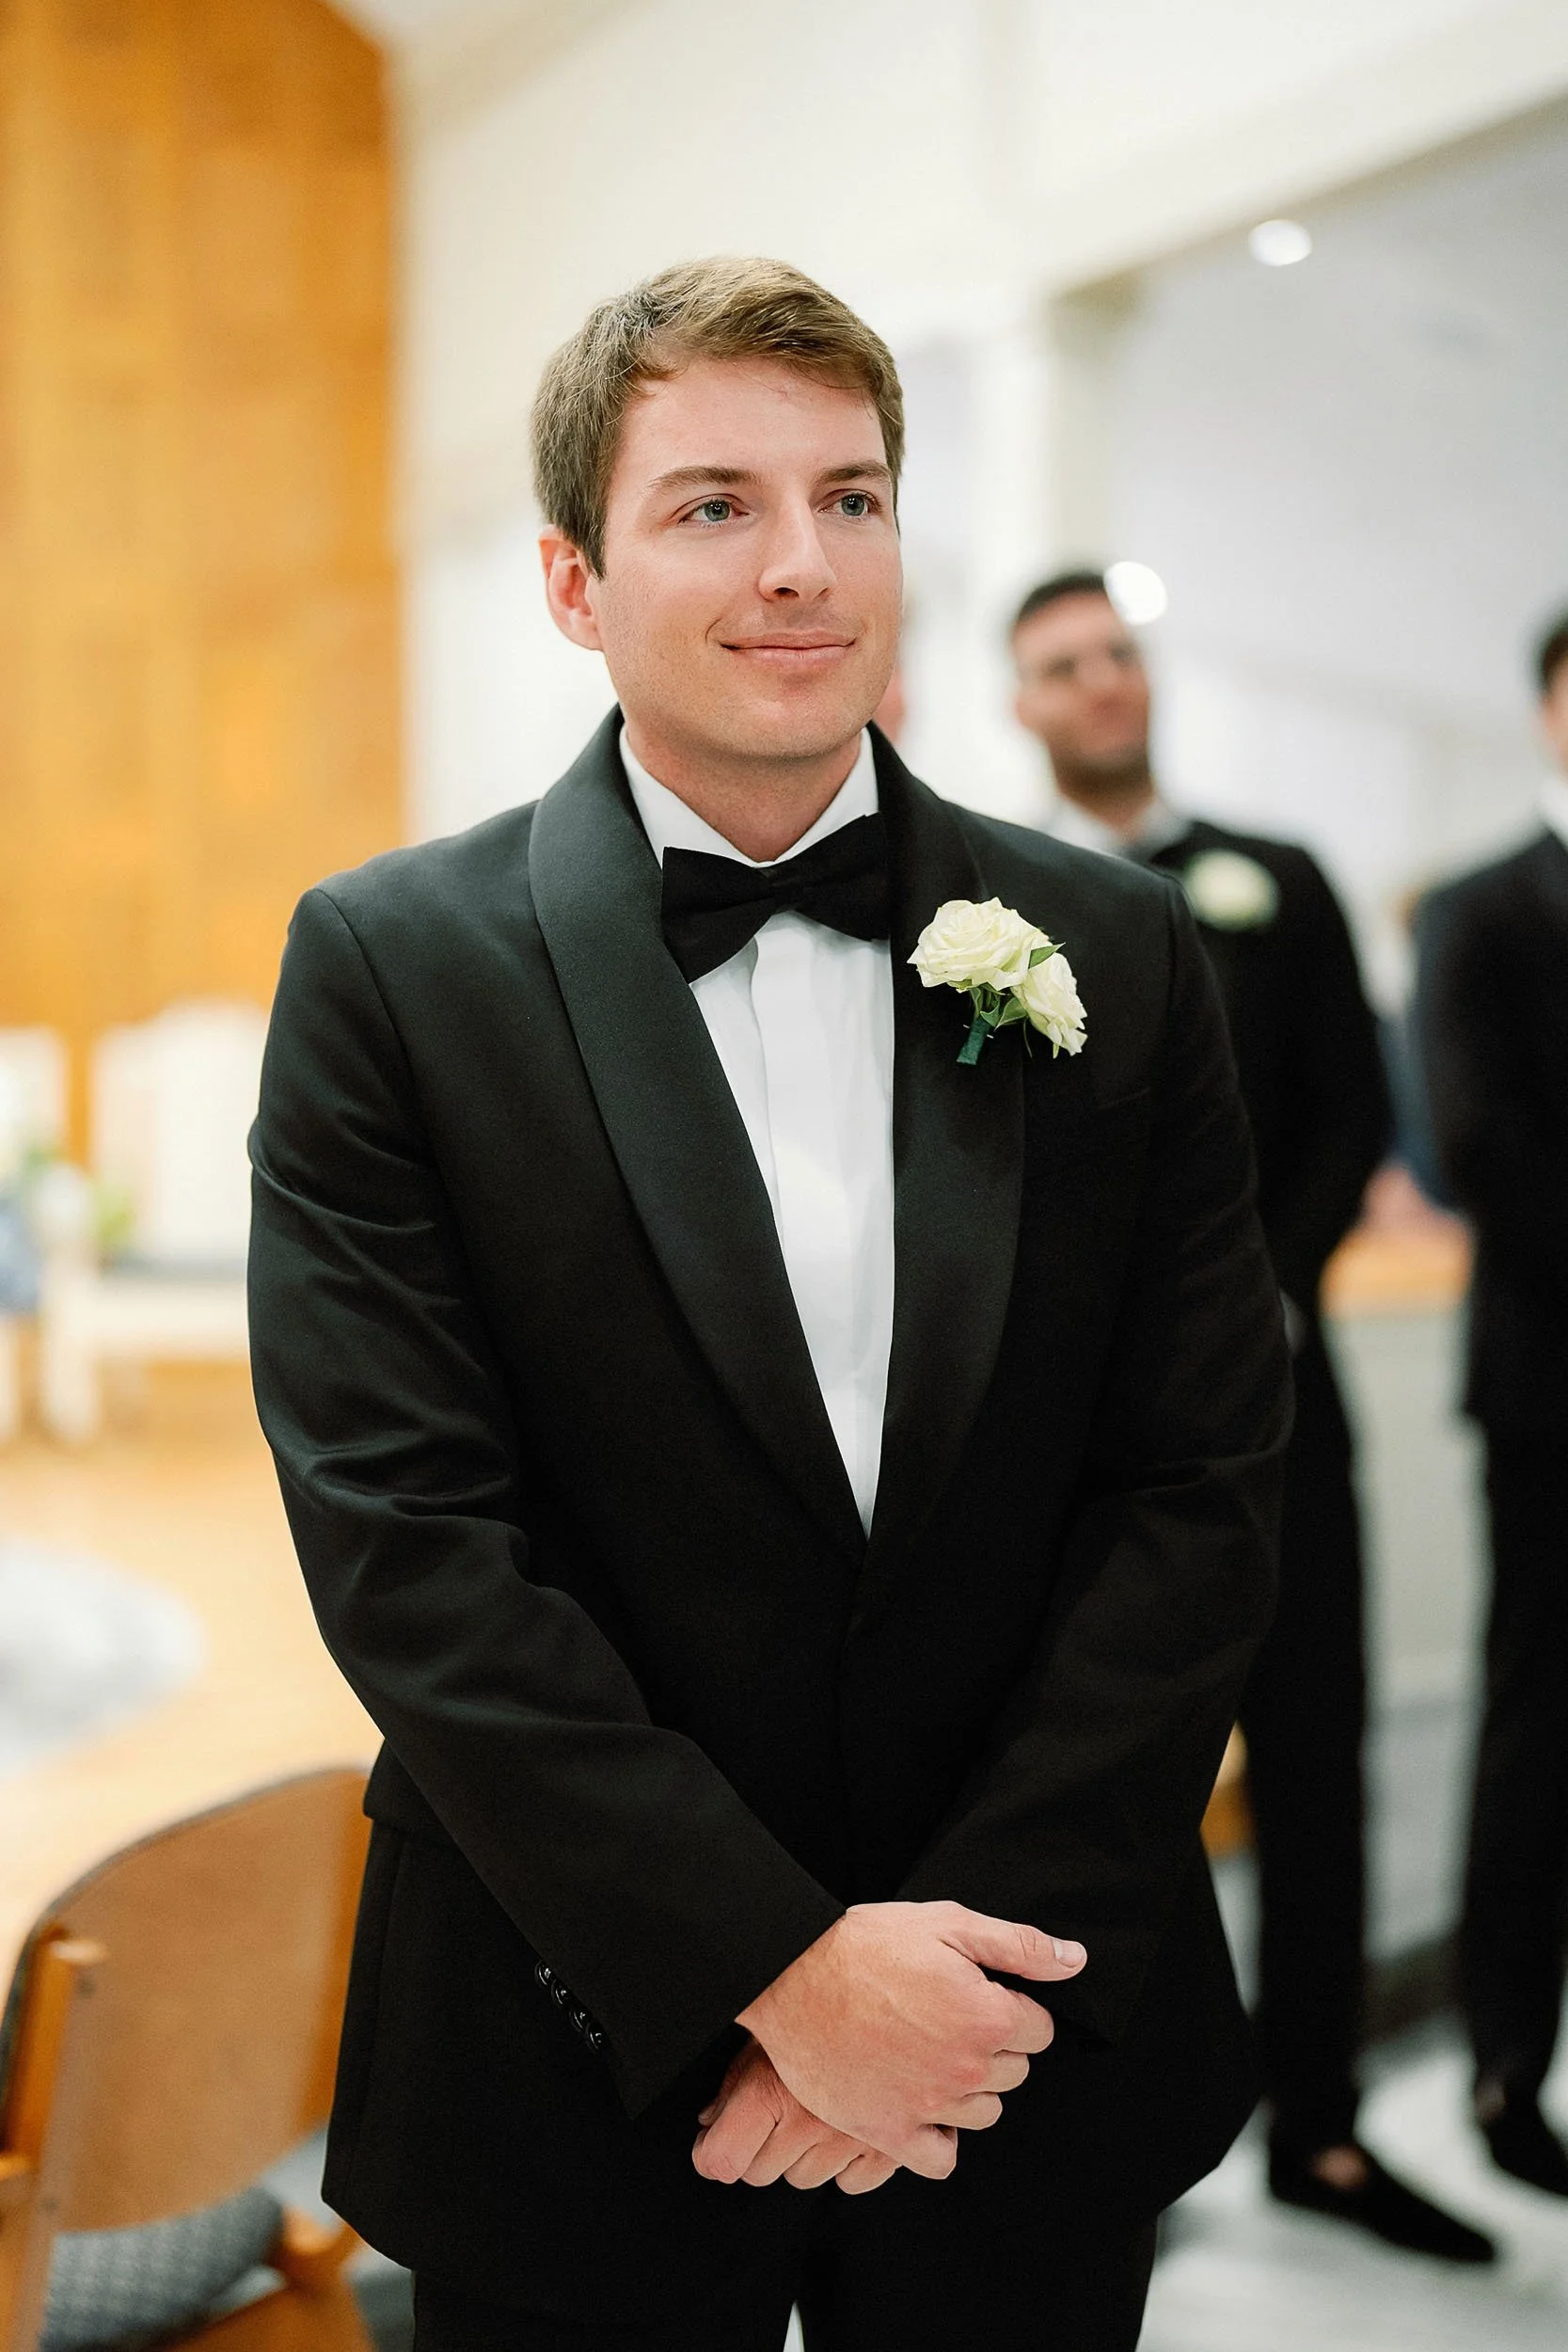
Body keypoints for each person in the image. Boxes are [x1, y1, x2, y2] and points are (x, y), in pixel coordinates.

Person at [248, 263, 1291, 2352]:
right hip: (576, 2039)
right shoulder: (391, 970)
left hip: (1027, 2027)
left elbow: (1194, 1484)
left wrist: (952, 1989)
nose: (801, 564)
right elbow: (413, 1549)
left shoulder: (1117, 945)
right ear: (573, 577)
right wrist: (778, 1968)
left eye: (852, 495)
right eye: (712, 503)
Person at [1011, 569, 1495, 2265]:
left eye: (1116, 656)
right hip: (1076, 1450)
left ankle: (1324, 2131)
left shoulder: (1275, 879)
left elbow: (1348, 1107)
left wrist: (1260, 1297)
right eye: (1061, 669)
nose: (1098, 687)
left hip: (1284, 1412)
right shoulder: (989, 905)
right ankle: (1091, 2145)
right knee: (1080, 1792)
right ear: (1023, 708)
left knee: (1314, 1764)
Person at [1414, 609, 1568, 2201]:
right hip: (1551, 1391)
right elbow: (1476, 1147)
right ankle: (1504, 2063)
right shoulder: (1479, 910)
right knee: (1537, 1730)